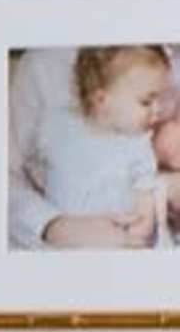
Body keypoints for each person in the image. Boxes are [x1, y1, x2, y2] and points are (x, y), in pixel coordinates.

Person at [13, 42, 178, 248]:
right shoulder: (56, 123)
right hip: (66, 238)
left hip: (123, 234)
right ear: (101, 100)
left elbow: (145, 190)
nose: (158, 110)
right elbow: (27, 169)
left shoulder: (139, 144)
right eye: (146, 102)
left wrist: (143, 225)